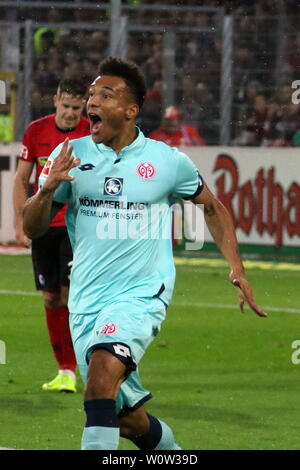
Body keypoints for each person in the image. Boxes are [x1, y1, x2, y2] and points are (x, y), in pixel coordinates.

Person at [23, 56, 267, 450]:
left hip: (140, 297)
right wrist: (48, 188)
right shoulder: (70, 156)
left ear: (131, 110)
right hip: (86, 304)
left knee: (100, 381)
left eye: (106, 95)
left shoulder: (166, 161)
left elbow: (212, 206)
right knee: (127, 420)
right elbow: (31, 227)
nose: (92, 103)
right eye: (91, 95)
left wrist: (237, 267)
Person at [13, 78, 90, 393]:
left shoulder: (90, 132)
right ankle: (65, 370)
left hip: (76, 228)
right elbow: (21, 179)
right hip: (43, 225)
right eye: (66, 106)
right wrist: (21, 222)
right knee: (49, 297)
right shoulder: (36, 131)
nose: (71, 113)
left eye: (77, 107)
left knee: (72, 297)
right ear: (56, 100)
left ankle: (84, 366)